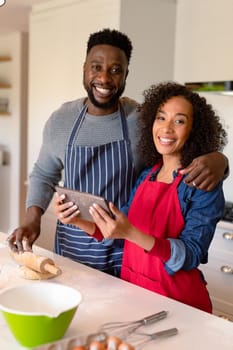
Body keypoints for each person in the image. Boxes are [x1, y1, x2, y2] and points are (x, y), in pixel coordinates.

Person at [8, 29, 228, 277]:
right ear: (84, 69)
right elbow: (43, 174)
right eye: (96, 67)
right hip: (73, 246)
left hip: (131, 254)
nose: (104, 78)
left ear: (125, 75)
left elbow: (180, 149)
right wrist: (32, 219)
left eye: (115, 70)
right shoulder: (61, 121)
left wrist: (221, 160)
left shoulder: (143, 119)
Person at [54, 81, 227, 313]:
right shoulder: (147, 174)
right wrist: (77, 220)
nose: (166, 128)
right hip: (134, 293)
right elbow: (118, 230)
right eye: (161, 118)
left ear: (194, 130)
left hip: (179, 303)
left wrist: (131, 233)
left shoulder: (202, 183)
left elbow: (190, 254)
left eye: (179, 120)